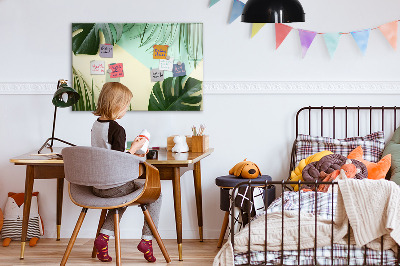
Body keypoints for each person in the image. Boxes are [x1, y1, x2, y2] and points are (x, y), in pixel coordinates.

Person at [91, 82, 161, 263]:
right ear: (116, 104)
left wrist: (130, 150)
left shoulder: (96, 125)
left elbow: (108, 154)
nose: (126, 109)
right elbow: (119, 161)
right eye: (126, 105)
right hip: (114, 186)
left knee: (121, 197)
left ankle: (103, 238)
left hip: (97, 186)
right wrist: (136, 148)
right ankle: (147, 240)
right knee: (156, 194)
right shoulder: (117, 129)